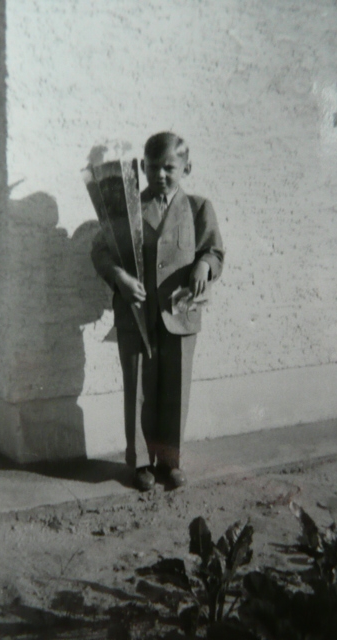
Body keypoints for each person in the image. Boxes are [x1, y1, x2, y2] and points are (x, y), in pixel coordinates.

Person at [91, 132, 224, 491]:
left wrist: (204, 266)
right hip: (137, 313)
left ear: (186, 168)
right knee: (138, 387)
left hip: (180, 315)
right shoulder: (128, 208)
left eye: (169, 168)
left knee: (174, 389)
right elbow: (100, 250)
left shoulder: (198, 208)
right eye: (152, 167)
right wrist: (118, 277)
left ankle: (170, 462)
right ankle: (139, 464)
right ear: (142, 168)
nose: (160, 175)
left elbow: (214, 252)